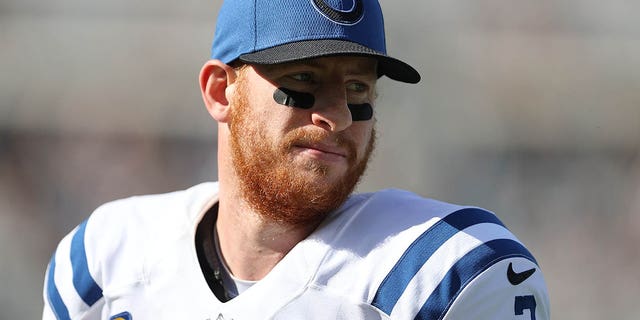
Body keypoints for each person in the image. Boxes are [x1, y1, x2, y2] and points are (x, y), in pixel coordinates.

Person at [42, 0, 550, 319]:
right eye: (304, 80)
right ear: (222, 92)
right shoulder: (106, 265)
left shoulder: (443, 273)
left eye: (357, 87)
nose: (337, 116)